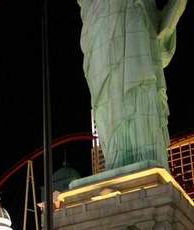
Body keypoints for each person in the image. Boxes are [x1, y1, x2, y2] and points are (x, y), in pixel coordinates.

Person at [76, 0, 187, 171]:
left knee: (139, 87)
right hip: (99, 28)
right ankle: (119, 164)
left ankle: (144, 159)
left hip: (133, 20)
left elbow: (160, 44)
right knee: (109, 106)